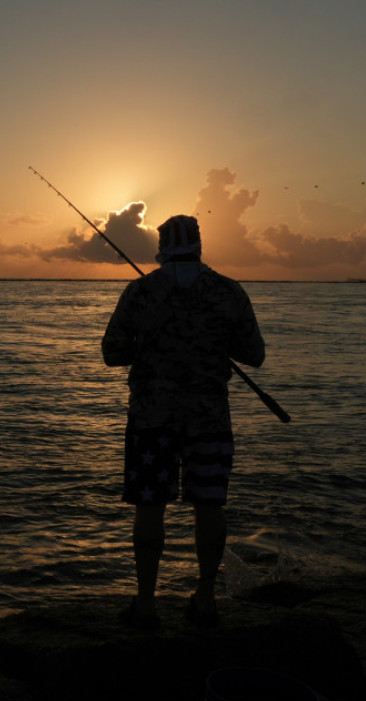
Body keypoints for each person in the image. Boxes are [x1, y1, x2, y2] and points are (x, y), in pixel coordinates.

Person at [101, 215, 265, 629]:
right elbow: (254, 355)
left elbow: (112, 353)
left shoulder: (140, 291)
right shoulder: (228, 291)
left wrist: (149, 345)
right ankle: (205, 599)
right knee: (209, 505)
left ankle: (145, 605)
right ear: (199, 246)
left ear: (161, 249)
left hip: (150, 419)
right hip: (209, 418)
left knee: (149, 507)